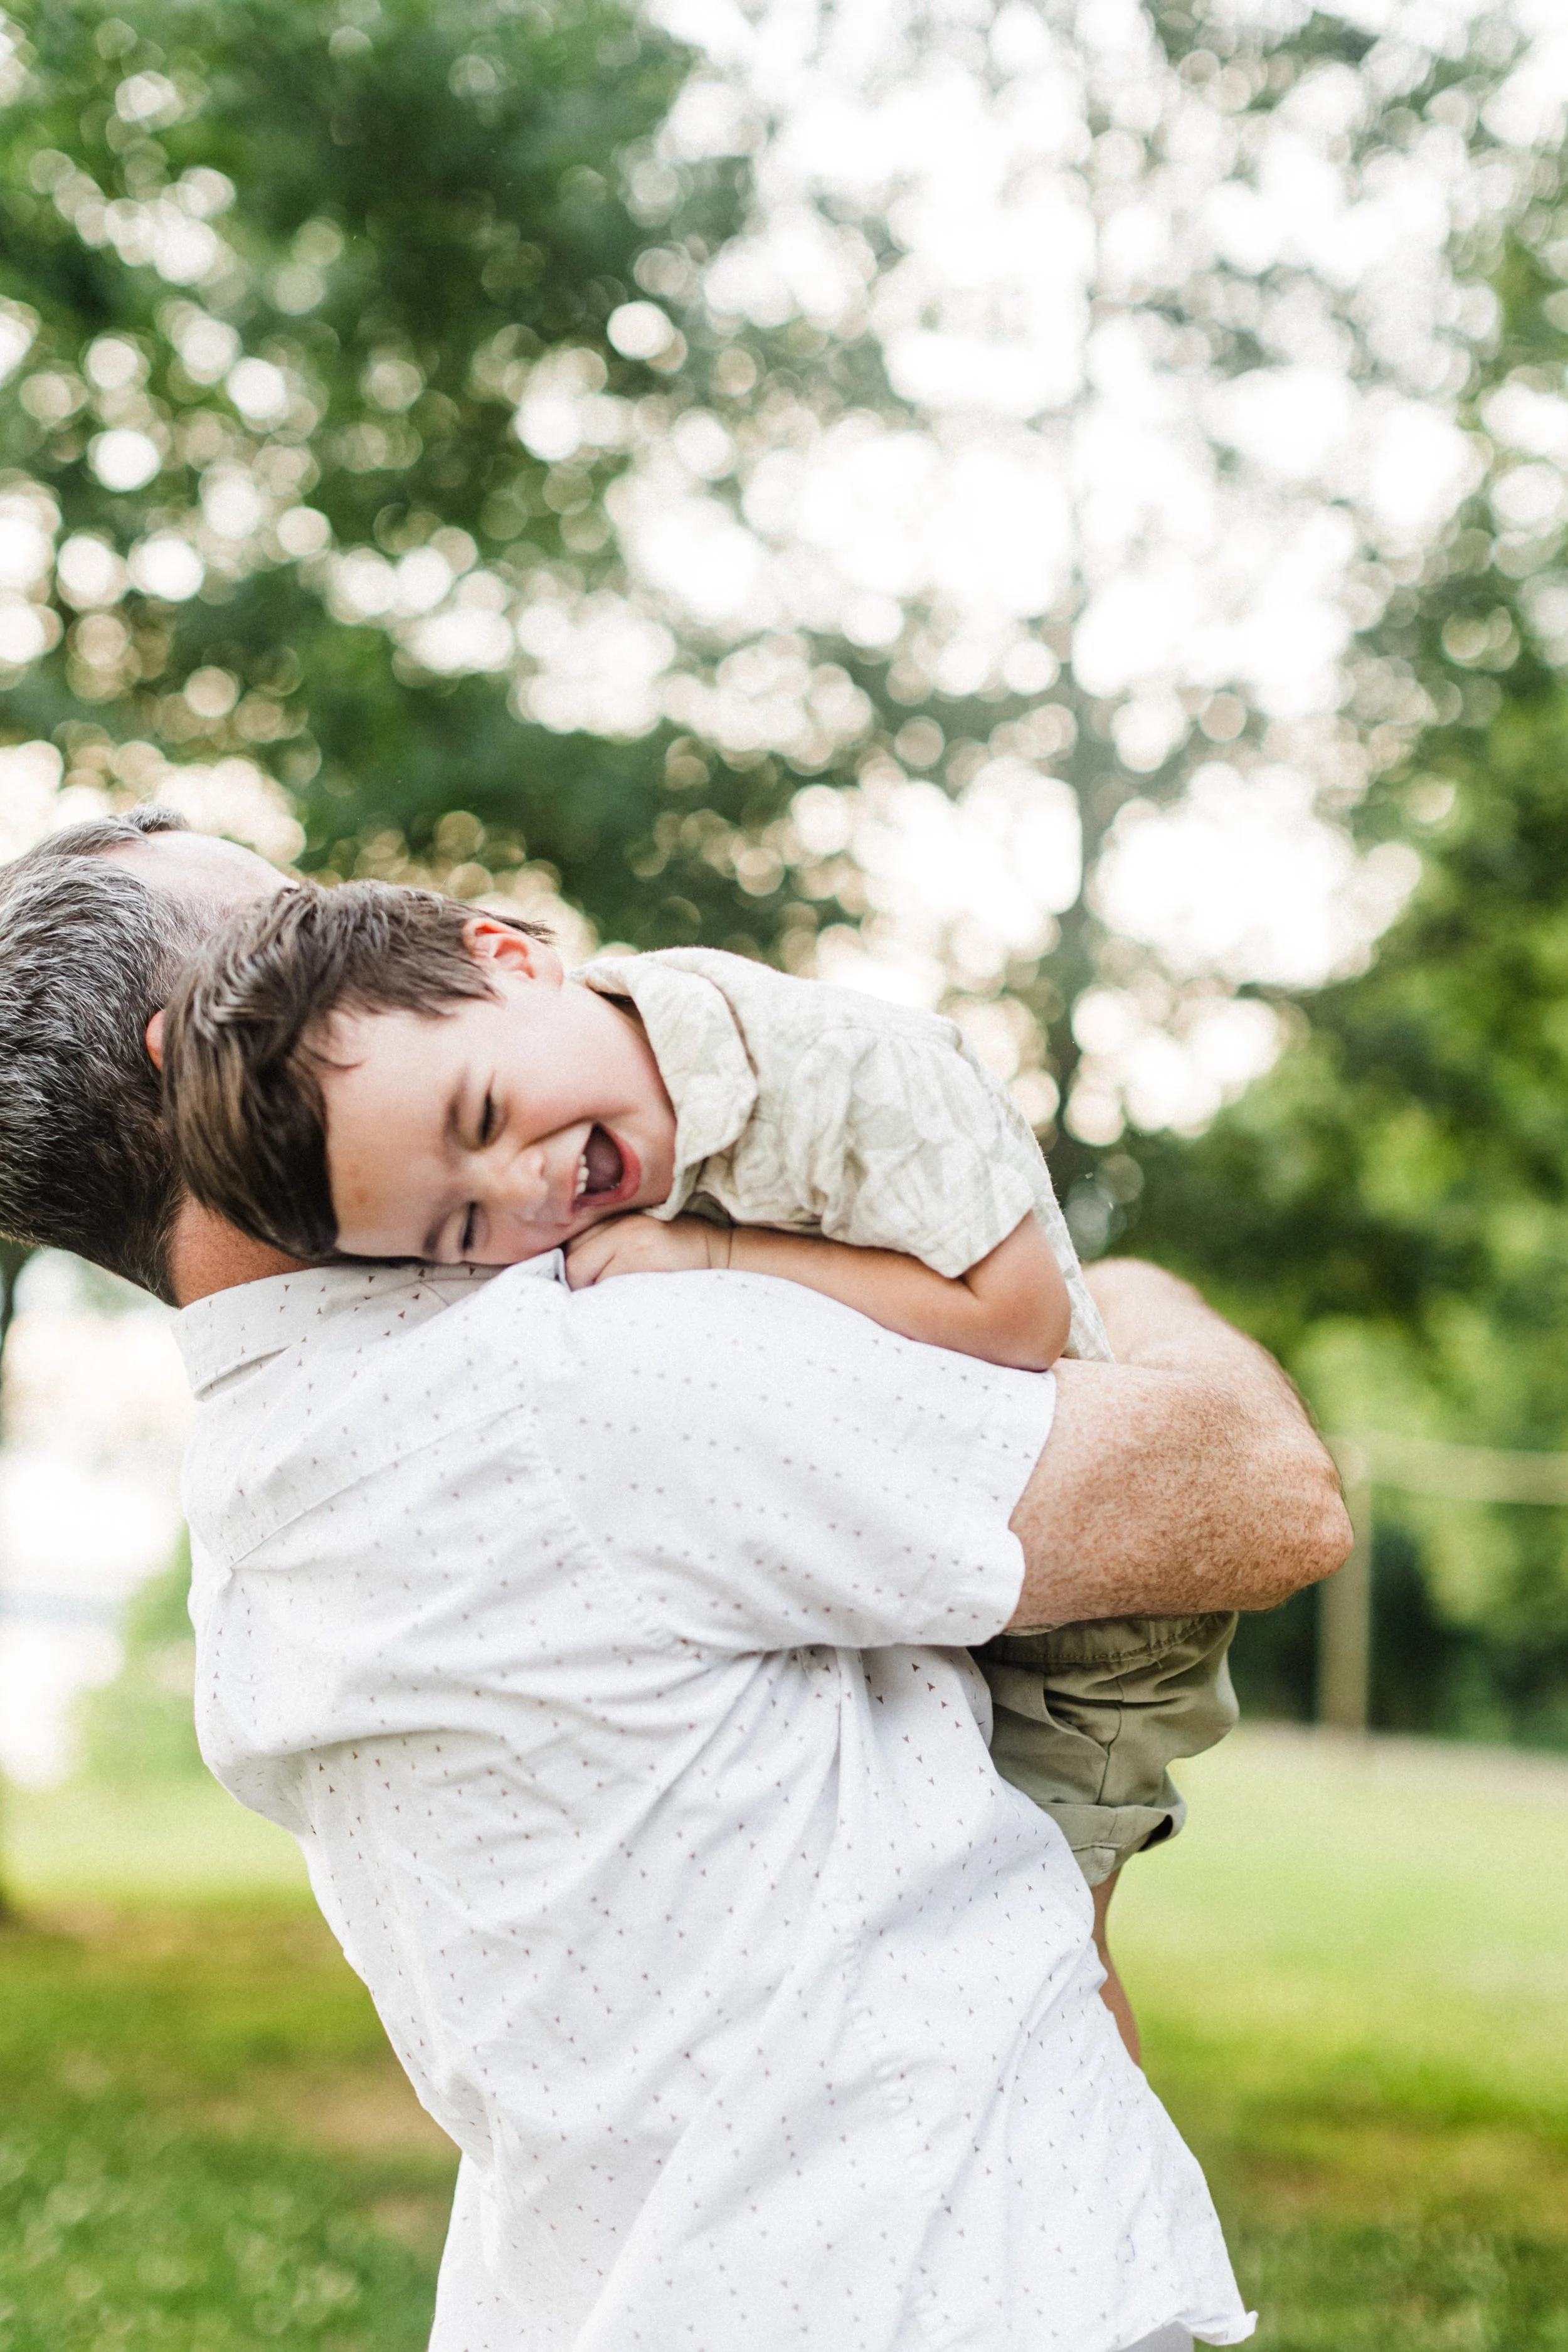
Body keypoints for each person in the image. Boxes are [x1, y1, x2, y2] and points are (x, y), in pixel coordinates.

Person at [0, 812, 1352, 2348]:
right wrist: (1134, 1291)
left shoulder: (256, 1514)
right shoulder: (578, 1373)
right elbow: (1261, 1494)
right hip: (945, 2286)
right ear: (199, 1055)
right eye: (296, 926)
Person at [159, 877, 1242, 1909]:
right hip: (939, 1562)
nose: (524, 1190)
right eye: (464, 1228)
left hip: (1088, 1639)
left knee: (1055, 1936)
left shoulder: (839, 1074)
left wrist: (716, 1257)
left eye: (482, 1115)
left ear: (510, 957)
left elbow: (1015, 1317)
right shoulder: (584, 1100)